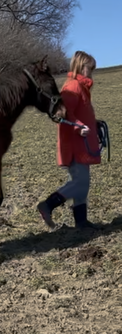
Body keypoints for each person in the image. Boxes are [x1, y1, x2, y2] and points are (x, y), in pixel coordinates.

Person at [37, 50, 100, 229]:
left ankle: (81, 221)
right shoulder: (73, 87)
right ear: (81, 66)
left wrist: (93, 123)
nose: (92, 72)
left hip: (82, 143)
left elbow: (78, 113)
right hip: (75, 144)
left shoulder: (80, 87)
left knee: (82, 183)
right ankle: (48, 205)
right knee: (80, 182)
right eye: (90, 68)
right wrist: (78, 127)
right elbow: (63, 115)